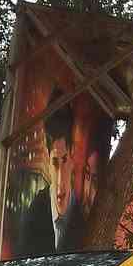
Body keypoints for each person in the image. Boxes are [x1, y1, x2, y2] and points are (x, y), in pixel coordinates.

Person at [16, 90, 85, 255]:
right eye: (54, 163)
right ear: (47, 159)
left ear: (73, 156)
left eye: (65, 160)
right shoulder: (33, 216)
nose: (60, 181)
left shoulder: (85, 217)